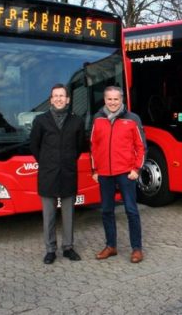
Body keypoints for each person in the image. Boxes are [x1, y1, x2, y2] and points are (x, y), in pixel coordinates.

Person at [30, 83, 85, 264]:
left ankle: (68, 248)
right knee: (49, 216)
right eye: (56, 96)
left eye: (62, 96)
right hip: (48, 174)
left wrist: (66, 161)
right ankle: (50, 250)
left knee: (68, 215)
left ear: (68, 99)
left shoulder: (77, 121)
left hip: (68, 173)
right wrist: (47, 162)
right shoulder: (41, 121)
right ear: (51, 99)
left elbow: (79, 147)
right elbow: (34, 147)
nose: (59, 99)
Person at [90, 85, 146, 263]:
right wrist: (95, 170)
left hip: (126, 173)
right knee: (107, 211)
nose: (113, 102)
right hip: (104, 173)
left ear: (122, 99)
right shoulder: (97, 119)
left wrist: (136, 169)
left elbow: (141, 146)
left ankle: (136, 249)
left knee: (131, 210)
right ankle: (111, 246)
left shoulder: (132, 119)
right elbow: (93, 146)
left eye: (116, 99)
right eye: (109, 99)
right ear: (105, 100)